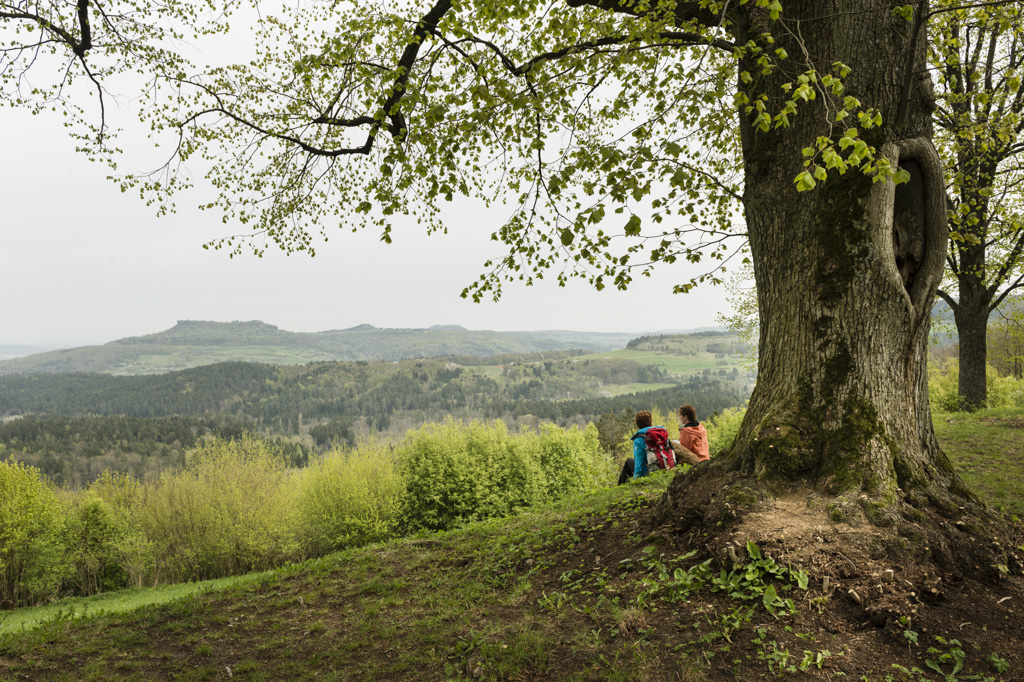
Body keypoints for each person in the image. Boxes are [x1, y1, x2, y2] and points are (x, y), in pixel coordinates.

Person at [617, 410, 671, 485]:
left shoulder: (639, 439)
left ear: (637, 424)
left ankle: (620, 488)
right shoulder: (661, 434)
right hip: (666, 468)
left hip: (649, 473)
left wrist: (636, 482)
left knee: (629, 461)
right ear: (651, 422)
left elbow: (639, 464)